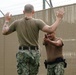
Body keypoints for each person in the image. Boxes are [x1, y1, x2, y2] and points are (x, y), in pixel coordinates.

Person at [2, 4, 64, 75]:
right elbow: (51, 29)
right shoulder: (37, 22)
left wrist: (6, 20)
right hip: (34, 53)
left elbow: (4, 31)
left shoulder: (17, 23)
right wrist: (59, 19)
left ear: (23, 11)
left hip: (23, 53)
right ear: (33, 12)